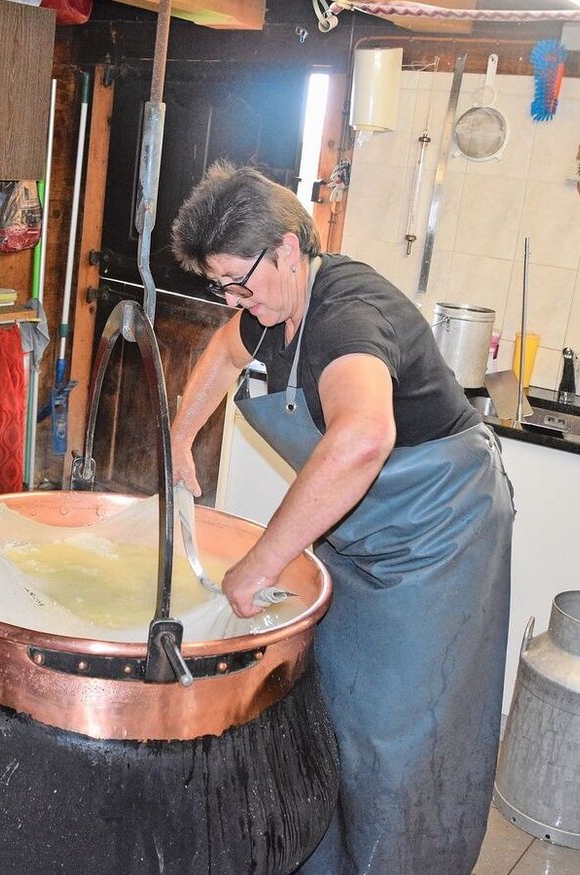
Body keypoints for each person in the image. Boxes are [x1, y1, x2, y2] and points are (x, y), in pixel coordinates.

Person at [168, 163, 513, 875]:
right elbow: (227, 350)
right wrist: (179, 432)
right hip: (360, 532)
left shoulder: (346, 314)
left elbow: (362, 439)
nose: (236, 300)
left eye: (242, 281)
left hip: (436, 537)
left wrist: (259, 561)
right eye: (220, 286)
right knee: (323, 709)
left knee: (398, 738)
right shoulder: (270, 309)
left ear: (290, 248)